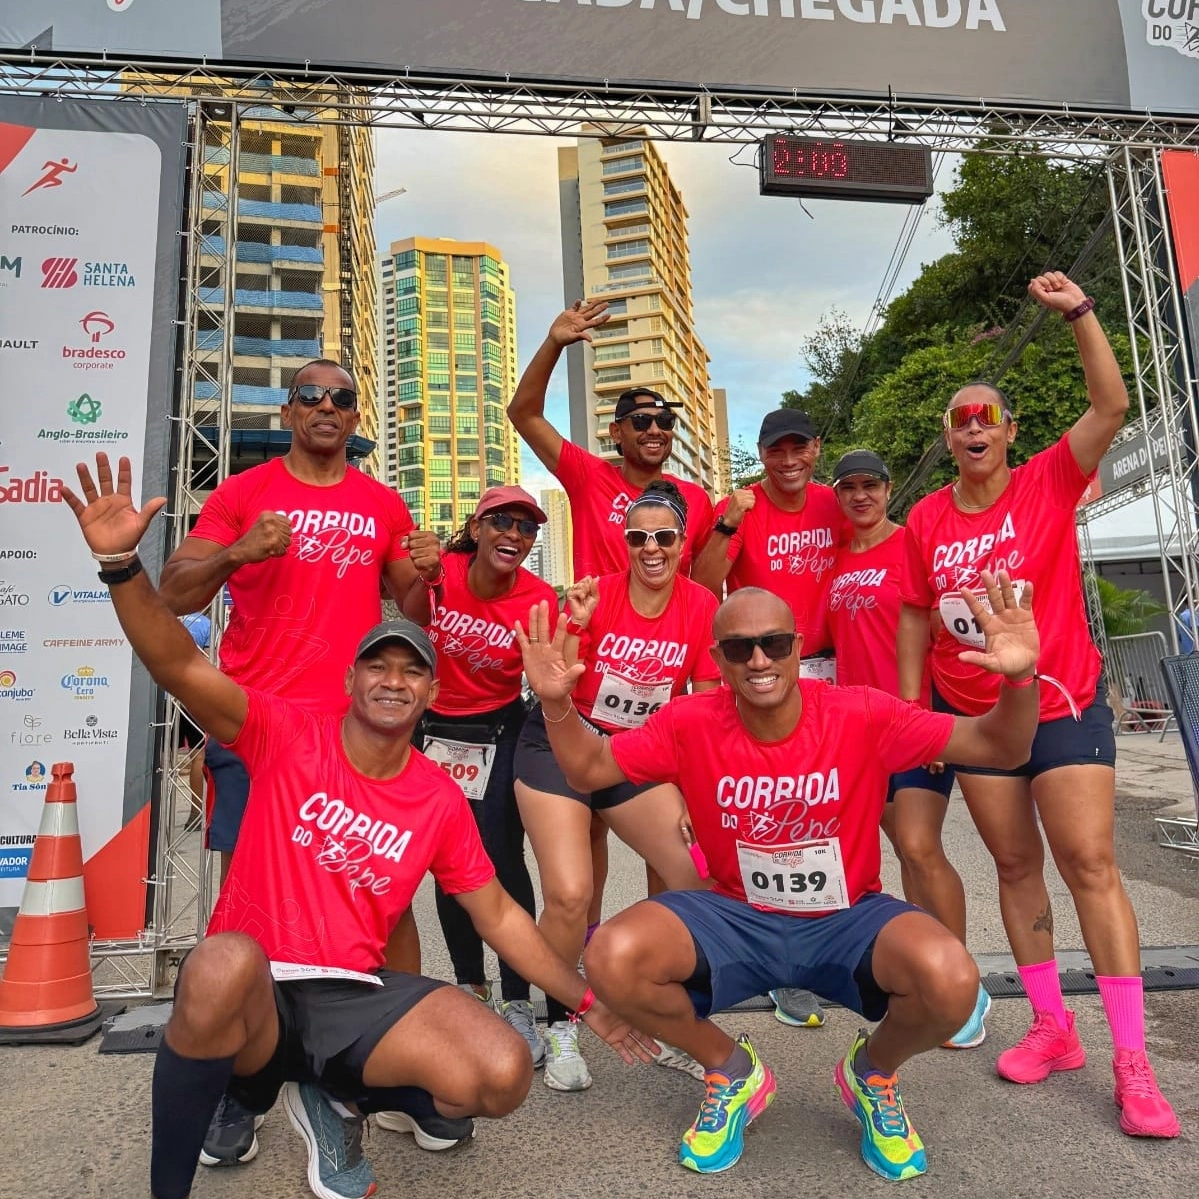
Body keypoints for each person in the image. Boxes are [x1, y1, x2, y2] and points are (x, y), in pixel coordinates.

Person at [61, 452, 655, 1199]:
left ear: (430, 691)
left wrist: (584, 1002)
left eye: (411, 672)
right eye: (379, 665)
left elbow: (499, 911)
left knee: (501, 1073)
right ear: (351, 679)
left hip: (350, 994)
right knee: (217, 964)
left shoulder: (436, 796)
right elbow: (178, 662)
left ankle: (338, 1095)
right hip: (262, 990)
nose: (393, 680)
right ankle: (215, 1128)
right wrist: (121, 565)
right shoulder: (284, 732)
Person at [516, 571, 1042, 1181]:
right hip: (737, 916)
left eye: (776, 643)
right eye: (740, 648)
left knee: (953, 983)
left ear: (799, 647)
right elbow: (590, 770)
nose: (759, 659)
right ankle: (730, 1069)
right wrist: (555, 703)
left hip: (846, 914)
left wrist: (1020, 679)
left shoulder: (860, 713)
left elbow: (1001, 747)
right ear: (718, 658)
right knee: (611, 955)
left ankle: (871, 1073)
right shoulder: (690, 721)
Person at [898, 271, 1179, 1137]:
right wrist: (919, 715)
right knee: (1014, 868)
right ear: (947, 439)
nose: (974, 425)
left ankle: (1131, 1059)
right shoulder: (923, 521)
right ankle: (1053, 1026)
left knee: (1088, 860)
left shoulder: (1049, 481)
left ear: (1010, 433)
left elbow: (1109, 404)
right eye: (960, 418)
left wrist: (1082, 315)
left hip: (1060, 701)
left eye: (988, 415)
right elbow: (915, 614)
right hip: (979, 720)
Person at [156, 359, 438, 1170]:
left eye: (341, 397)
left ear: (355, 416)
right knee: (247, 915)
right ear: (287, 411)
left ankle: (386, 1068)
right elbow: (174, 591)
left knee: (381, 897)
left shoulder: (381, 501)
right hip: (257, 728)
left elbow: (408, 613)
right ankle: (231, 1090)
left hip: (355, 736)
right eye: (309, 395)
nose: (325, 406)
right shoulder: (244, 492)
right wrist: (240, 550)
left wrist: (418, 574)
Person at [513, 481, 717, 1092]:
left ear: (683, 542)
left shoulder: (702, 603)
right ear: (624, 543)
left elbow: (703, 704)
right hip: (561, 739)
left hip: (636, 750)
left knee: (692, 875)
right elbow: (562, 676)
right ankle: (560, 1024)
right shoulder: (594, 594)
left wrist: (693, 791)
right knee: (573, 894)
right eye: (638, 538)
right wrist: (574, 625)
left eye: (665, 537)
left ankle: (675, 1016)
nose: (651, 548)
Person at [825, 449, 988, 1049]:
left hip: (913, 718)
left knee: (920, 847)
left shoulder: (912, 545)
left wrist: (924, 712)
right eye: (849, 488)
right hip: (858, 731)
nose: (861, 495)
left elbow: (937, 627)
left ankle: (963, 986)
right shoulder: (838, 560)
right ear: (837, 496)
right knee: (895, 853)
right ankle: (932, 977)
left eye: (871, 484)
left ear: (889, 488)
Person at [691, 406, 847, 1030]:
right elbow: (703, 584)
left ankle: (825, 949)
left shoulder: (837, 503)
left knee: (826, 816)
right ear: (760, 455)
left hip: (832, 667)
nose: (789, 461)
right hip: (765, 670)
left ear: (815, 449)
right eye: (776, 450)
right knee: (771, 817)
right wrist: (727, 525)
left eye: (800, 448)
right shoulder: (745, 507)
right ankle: (777, 961)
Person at [410, 484, 557, 1071]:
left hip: (499, 730)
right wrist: (413, 571)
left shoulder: (541, 599)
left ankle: (519, 1000)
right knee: (449, 868)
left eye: (526, 528)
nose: (514, 536)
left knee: (501, 862)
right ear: (476, 528)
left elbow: (554, 670)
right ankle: (472, 989)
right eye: (502, 522)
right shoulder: (437, 572)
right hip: (432, 731)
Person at [506, 299, 714, 579]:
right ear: (616, 432)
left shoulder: (696, 499)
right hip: (597, 622)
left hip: (667, 624)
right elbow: (523, 414)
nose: (654, 430)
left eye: (664, 421)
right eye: (641, 422)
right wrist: (553, 344)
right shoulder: (589, 479)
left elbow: (703, 583)